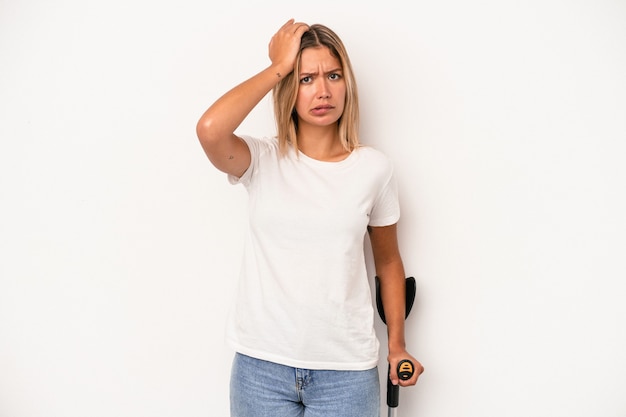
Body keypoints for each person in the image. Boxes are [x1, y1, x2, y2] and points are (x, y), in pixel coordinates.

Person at [196, 18, 423, 417]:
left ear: (346, 83)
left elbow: (388, 262)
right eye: (306, 79)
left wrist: (397, 346)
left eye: (333, 75)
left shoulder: (374, 169)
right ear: (288, 89)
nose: (322, 90)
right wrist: (278, 66)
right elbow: (211, 130)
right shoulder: (262, 160)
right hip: (261, 368)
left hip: (346, 374)